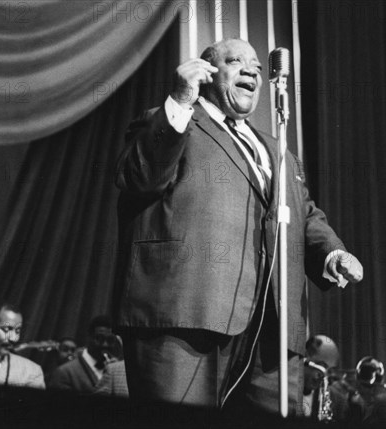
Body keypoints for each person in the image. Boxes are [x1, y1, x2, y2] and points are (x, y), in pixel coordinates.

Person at [114, 38, 363, 411]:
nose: (252, 71)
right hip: (187, 316)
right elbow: (139, 176)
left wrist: (333, 254)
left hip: (271, 332)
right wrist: (180, 101)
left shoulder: (277, 150)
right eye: (236, 61)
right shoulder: (171, 119)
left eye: (258, 68)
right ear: (207, 71)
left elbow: (304, 213)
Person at [48, 315, 127, 397]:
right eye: (99, 339)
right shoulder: (64, 372)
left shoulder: (116, 369)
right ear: (89, 338)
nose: (105, 345)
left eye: (110, 340)